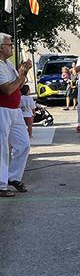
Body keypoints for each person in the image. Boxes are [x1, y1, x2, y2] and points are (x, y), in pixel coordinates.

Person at [0, 33, 31, 196]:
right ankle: (1, 184)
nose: (11, 47)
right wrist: (21, 75)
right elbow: (7, 89)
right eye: (9, 45)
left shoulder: (7, 64)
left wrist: (23, 73)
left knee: (23, 144)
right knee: (2, 148)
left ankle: (12, 177)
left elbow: (18, 85)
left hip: (15, 110)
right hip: (2, 109)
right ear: (1, 48)